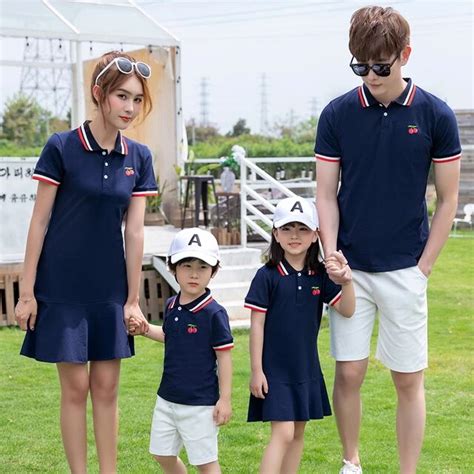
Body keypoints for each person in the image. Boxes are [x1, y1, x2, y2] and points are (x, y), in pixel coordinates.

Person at [315, 6, 462, 474]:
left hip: (406, 269)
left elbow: (447, 200)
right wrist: (332, 257)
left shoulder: (435, 114)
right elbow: (325, 193)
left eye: (381, 65)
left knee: (407, 380)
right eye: (360, 65)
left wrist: (424, 269)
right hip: (351, 268)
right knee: (350, 371)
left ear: (405, 55)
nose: (371, 75)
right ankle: (351, 462)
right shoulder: (337, 114)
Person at [14, 51, 158, 473]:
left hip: (109, 289)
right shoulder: (62, 147)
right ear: (99, 95)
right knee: (75, 389)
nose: (129, 108)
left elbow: (134, 232)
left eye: (136, 99)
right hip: (61, 288)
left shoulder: (140, 157)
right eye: (121, 96)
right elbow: (39, 223)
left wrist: (133, 300)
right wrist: (27, 293)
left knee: (107, 388)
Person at [244, 196, 355, 474]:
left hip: (305, 369)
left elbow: (348, 310)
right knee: (282, 433)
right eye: (287, 228)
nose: (295, 235)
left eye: (303, 229)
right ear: (275, 234)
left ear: (316, 235)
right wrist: (257, 371)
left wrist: (346, 280)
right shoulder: (266, 276)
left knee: (297, 435)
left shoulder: (320, 275)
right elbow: (256, 325)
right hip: (274, 371)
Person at [129, 227, 234, 474]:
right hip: (167, 398)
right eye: (186, 265)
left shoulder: (214, 313)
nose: (194, 274)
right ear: (172, 268)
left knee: (205, 463)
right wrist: (145, 329)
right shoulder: (172, 304)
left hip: (200, 404)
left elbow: (224, 356)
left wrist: (225, 399)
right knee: (161, 454)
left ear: (214, 271)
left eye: (202, 267)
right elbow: (169, 336)